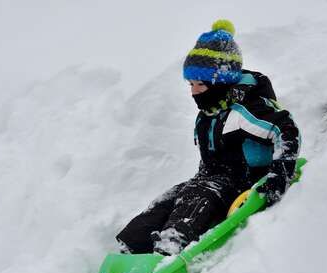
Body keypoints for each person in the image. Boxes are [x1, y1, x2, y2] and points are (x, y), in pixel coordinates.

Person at [116, 19, 300, 256]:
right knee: (169, 199)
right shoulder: (208, 114)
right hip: (210, 178)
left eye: (200, 84)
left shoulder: (243, 111)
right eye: (190, 84)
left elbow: (286, 130)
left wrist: (279, 175)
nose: (193, 91)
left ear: (219, 82)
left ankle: (168, 250)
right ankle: (129, 247)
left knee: (198, 195)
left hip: (244, 181)